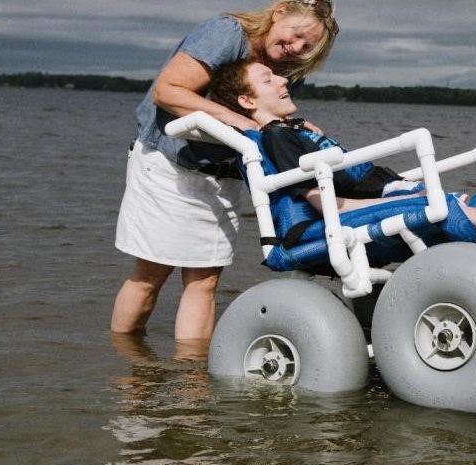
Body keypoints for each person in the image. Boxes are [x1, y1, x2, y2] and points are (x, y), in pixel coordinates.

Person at [209, 60, 476, 359]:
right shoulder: (278, 139)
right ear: (248, 102)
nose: (283, 81)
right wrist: (408, 200)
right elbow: (323, 202)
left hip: (368, 204)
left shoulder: (296, 131)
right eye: (268, 80)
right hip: (332, 225)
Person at [111, 1, 340, 342]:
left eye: (308, 47)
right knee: (150, 275)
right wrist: (240, 123)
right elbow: (167, 91)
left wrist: (293, 129)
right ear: (279, 14)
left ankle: (192, 381)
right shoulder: (228, 34)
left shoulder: (290, 67)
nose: (297, 49)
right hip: (169, 165)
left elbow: (266, 117)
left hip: (225, 175)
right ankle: (129, 366)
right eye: (297, 36)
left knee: (205, 281)